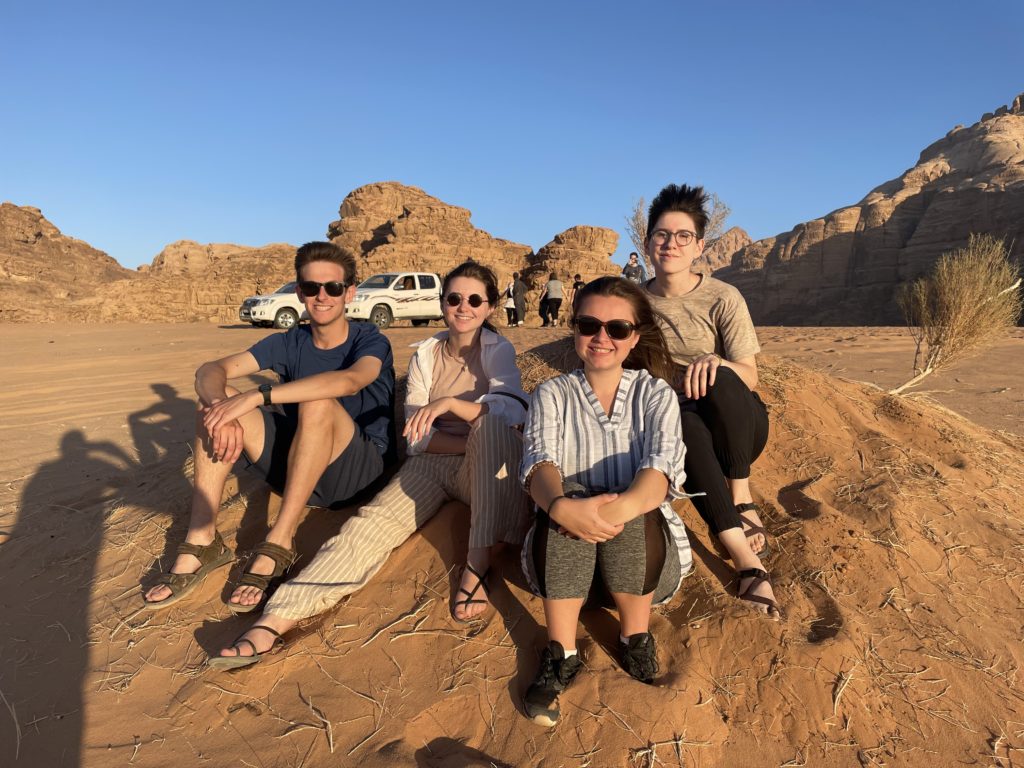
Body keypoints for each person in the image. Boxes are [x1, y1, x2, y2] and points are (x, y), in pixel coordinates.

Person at [208, 261, 530, 669]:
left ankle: (477, 566)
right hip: (431, 464)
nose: (462, 307)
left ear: (490, 307)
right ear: (442, 302)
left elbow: (510, 411)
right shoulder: (426, 354)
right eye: (453, 298)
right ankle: (278, 617)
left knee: (490, 430)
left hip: (485, 465)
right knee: (369, 526)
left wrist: (449, 405)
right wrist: (455, 434)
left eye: (473, 300)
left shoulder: (498, 351)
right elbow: (418, 438)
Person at [143, 241, 396, 614]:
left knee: (317, 400)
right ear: (299, 292)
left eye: (333, 288)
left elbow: (350, 382)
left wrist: (258, 396)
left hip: (355, 474)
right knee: (214, 401)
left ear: (350, 293)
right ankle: (202, 539)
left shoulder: (370, 339)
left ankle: (280, 539)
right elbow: (210, 370)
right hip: (296, 466)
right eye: (311, 287)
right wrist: (220, 407)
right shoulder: (288, 341)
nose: (321, 296)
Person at [519, 276, 692, 726]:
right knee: (566, 501)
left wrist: (611, 511)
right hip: (564, 564)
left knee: (635, 505)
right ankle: (561, 651)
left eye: (617, 329)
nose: (602, 338)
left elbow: (661, 472)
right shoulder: (552, 394)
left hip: (642, 564)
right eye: (589, 324)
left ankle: (635, 636)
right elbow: (540, 462)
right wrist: (563, 508)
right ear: (574, 327)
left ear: (634, 337)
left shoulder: (654, 394)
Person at [642, 183, 778, 619]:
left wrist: (714, 362)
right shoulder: (636, 304)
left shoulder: (722, 297)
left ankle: (741, 494)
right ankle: (745, 560)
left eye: (683, 236)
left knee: (716, 376)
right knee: (675, 416)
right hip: (684, 429)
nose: (671, 244)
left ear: (699, 246)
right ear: (647, 242)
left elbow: (751, 376)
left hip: (737, 428)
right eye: (662, 235)